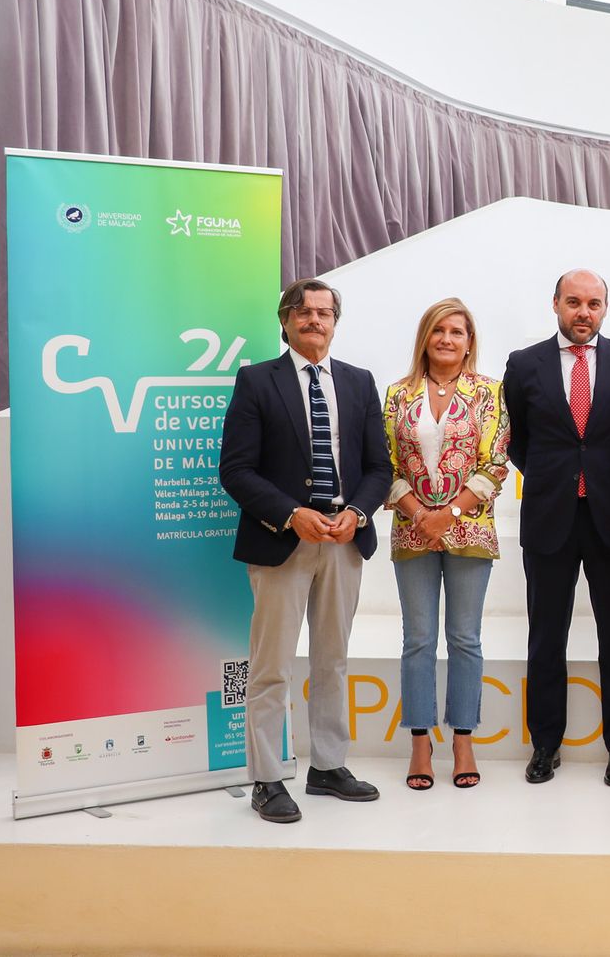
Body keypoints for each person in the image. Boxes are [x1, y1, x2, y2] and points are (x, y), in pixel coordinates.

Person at [219, 277, 392, 823]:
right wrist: (292, 514)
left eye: (324, 312)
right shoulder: (256, 382)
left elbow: (379, 468)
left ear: (335, 322)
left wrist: (357, 513)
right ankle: (268, 779)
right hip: (281, 542)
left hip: (343, 541)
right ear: (286, 321)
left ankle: (327, 766)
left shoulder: (360, 382)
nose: (314, 320)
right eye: (304, 311)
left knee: (332, 660)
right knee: (271, 666)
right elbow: (236, 470)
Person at [503, 270, 610, 787]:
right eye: (573, 302)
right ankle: (545, 745)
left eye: (593, 303)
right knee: (546, 637)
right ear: (556, 305)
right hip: (549, 518)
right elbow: (517, 440)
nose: (583, 312)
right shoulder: (524, 365)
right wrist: (556, 478)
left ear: (606, 308)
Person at [383, 298, 510, 790]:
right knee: (417, 640)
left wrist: (450, 513)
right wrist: (420, 514)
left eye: (457, 331)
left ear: (469, 341)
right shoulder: (397, 394)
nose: (447, 339)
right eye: (438, 330)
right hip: (411, 528)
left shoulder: (489, 392)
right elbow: (386, 463)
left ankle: (463, 738)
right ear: (425, 337)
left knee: (464, 639)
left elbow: (496, 463)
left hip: (470, 529)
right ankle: (420, 740)